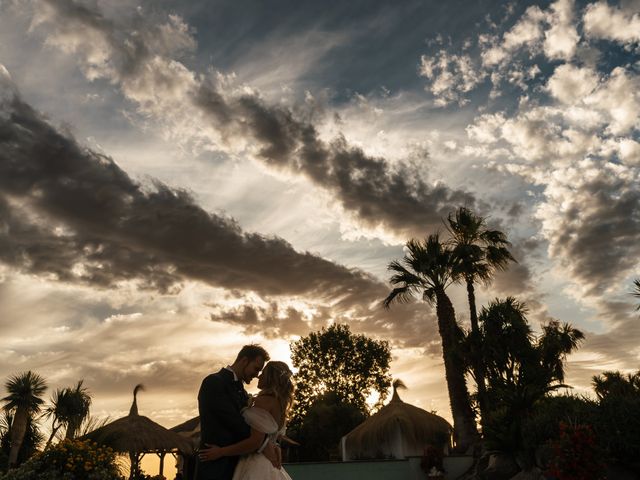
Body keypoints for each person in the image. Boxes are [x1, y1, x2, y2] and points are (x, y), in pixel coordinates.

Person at [199, 361, 295, 480]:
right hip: (270, 464)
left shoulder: (263, 401)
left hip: (256, 464)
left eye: (263, 373)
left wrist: (220, 452)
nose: (258, 376)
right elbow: (271, 436)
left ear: (270, 378)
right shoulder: (280, 403)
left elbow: (254, 442)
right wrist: (273, 445)